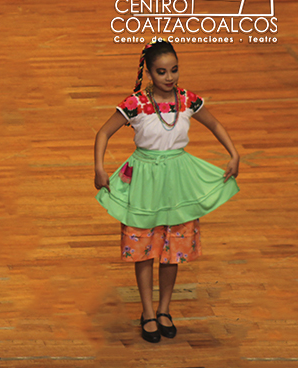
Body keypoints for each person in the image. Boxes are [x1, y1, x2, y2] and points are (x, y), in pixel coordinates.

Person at [94, 39, 239, 343]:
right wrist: (99, 169)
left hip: (178, 182)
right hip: (145, 182)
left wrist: (234, 154)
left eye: (174, 70)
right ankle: (147, 312)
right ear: (148, 72)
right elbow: (103, 132)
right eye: (161, 72)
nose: (169, 77)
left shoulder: (187, 100)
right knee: (145, 247)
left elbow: (215, 124)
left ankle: (164, 310)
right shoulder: (136, 103)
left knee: (173, 249)